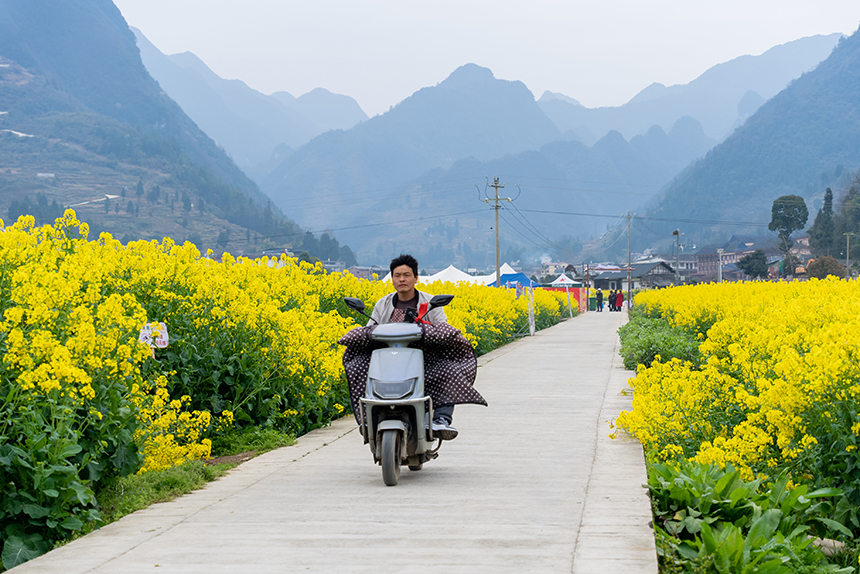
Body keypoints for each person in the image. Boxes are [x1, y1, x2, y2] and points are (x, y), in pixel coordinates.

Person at [368, 254, 457, 439]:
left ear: (416, 278)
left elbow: (443, 327)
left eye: (407, 275)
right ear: (392, 279)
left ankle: (440, 420)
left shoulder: (430, 303)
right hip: (389, 360)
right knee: (359, 366)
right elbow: (371, 328)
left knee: (448, 369)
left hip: (424, 359)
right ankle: (368, 418)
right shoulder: (383, 304)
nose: (402, 279)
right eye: (397, 275)